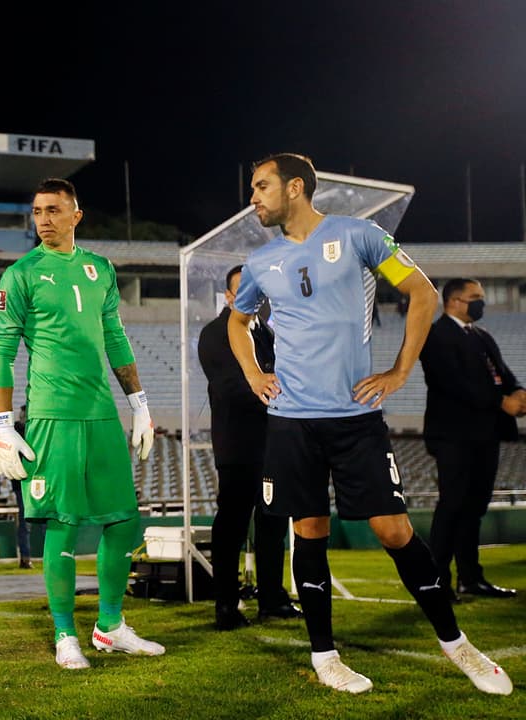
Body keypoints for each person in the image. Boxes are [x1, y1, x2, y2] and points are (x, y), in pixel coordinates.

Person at [228, 153, 510, 695]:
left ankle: (458, 645)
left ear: (295, 187)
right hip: (291, 422)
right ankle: (325, 656)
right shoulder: (262, 264)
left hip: (357, 418)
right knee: (309, 531)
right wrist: (253, 372)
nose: (253, 197)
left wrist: (400, 370)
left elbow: (423, 293)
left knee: (394, 530)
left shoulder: (359, 235)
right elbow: (239, 325)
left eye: (261, 186)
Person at [0, 178, 163, 670]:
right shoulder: (20, 274)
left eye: (52, 210)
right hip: (51, 414)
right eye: (36, 211)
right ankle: (65, 633)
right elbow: (3, 353)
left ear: (75, 215)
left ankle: (110, 626)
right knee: (61, 525)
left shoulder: (100, 269)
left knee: (123, 521)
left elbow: (115, 337)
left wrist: (140, 405)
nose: (42, 219)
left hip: (102, 412)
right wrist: (5, 427)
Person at [198, 265, 300, 630]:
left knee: (273, 522)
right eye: (242, 290)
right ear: (227, 297)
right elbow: (230, 386)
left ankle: (272, 599)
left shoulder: (268, 334)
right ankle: (225, 605)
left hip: (274, 443)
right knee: (233, 525)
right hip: (239, 445)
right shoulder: (214, 333)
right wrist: (276, 391)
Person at [420, 278, 522, 599]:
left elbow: (503, 373)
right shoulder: (437, 336)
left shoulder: (481, 335)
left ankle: (470, 577)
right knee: (452, 505)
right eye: (475, 297)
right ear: (453, 302)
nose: (482, 302)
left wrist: (517, 391)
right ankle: (437, 580)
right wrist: (500, 402)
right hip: (454, 435)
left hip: (485, 434)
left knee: (474, 507)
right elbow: (454, 384)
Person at [11, 406, 32, 569]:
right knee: (25, 523)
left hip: (35, 480)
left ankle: (48, 555)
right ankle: (25, 557)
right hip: (22, 481)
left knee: (47, 521)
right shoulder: (17, 430)